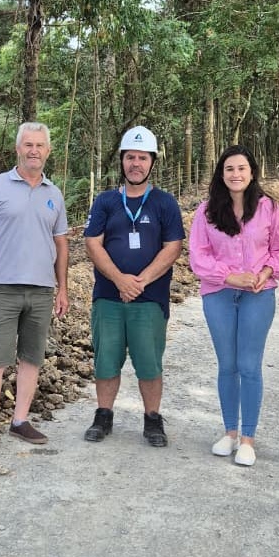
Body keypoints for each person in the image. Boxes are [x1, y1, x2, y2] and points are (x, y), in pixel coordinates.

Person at [0, 121, 69, 453]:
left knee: (31, 358)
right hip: (3, 287)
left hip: (41, 290)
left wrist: (62, 289)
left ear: (48, 151)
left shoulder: (54, 194)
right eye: (28, 145)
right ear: (17, 149)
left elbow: (62, 245)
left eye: (40, 145)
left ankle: (20, 420)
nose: (34, 151)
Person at [188, 145, 279, 467]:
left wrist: (264, 272)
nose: (236, 174)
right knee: (227, 365)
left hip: (258, 295)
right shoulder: (206, 212)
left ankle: (248, 438)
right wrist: (230, 277)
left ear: (252, 172)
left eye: (241, 168)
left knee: (249, 365)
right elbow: (198, 256)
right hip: (219, 294)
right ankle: (229, 432)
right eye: (230, 168)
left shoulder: (268, 208)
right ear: (222, 174)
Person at [82, 126, 185, 447]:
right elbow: (92, 243)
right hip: (109, 298)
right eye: (130, 157)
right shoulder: (106, 201)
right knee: (106, 359)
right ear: (122, 161)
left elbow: (173, 247)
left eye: (142, 158)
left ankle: (152, 419)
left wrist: (141, 281)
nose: (135, 164)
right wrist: (119, 279)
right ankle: (103, 415)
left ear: (152, 162)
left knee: (149, 362)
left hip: (149, 299)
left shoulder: (164, 203)